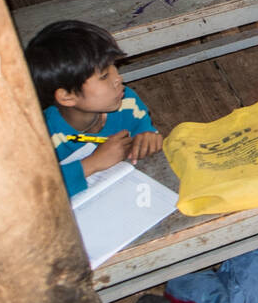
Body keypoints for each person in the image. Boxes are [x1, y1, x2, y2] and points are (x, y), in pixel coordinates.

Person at [25, 20, 164, 198]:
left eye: (114, 66)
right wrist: (92, 164)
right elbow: (35, 192)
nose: (118, 78)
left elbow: (141, 127)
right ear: (67, 96)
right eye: (104, 76)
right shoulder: (43, 137)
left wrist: (146, 136)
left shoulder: (126, 101)